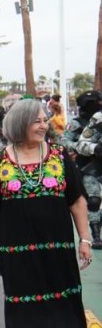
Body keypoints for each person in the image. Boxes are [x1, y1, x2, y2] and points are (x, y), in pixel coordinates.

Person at [0, 99, 90, 328]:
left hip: (56, 246)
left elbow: (77, 200)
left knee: (56, 297)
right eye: (38, 121)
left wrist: (85, 239)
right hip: (18, 248)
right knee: (25, 300)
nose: (44, 125)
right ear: (20, 124)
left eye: (46, 120)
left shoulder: (59, 155)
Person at [59, 90, 102, 248]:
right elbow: (64, 140)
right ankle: (95, 235)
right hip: (85, 164)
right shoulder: (78, 123)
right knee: (93, 199)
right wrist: (82, 148)